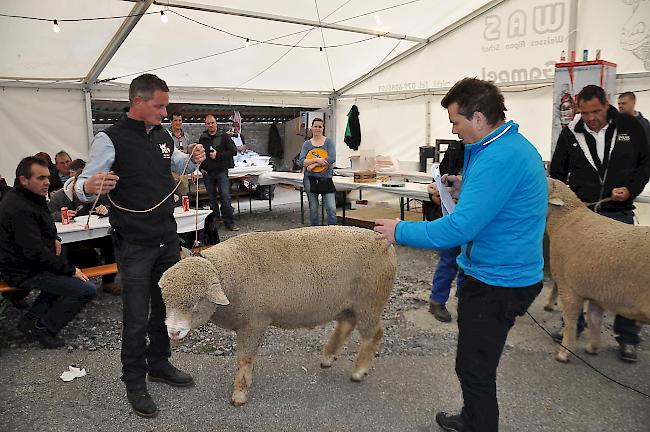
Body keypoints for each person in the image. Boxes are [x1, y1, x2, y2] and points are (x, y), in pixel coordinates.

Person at [374, 78, 547, 432]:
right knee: (474, 362)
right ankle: (471, 418)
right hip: (497, 272)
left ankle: (478, 424)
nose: (453, 130)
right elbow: (493, 202)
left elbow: (460, 228)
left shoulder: (500, 156)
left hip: (497, 281)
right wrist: (464, 187)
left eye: (456, 121)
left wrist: (400, 230)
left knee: (474, 368)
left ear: (479, 118)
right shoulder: (502, 147)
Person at [75, 73, 206, 418]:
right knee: (135, 316)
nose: (165, 112)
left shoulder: (162, 135)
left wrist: (192, 155)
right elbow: (83, 184)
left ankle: (159, 363)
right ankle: (134, 379)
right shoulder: (109, 138)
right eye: (160, 105)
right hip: (133, 243)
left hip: (166, 236)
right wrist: (89, 186)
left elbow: (176, 162)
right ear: (138, 102)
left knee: (166, 306)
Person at [550, 84, 650, 362]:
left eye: (596, 111)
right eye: (585, 112)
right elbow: (557, 173)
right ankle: (574, 326)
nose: (591, 118)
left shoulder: (631, 128)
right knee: (577, 275)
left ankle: (627, 338)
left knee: (629, 275)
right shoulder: (570, 134)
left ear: (606, 105)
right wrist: (569, 197)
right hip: (583, 217)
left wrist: (630, 188)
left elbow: (645, 165)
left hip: (618, 212)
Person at [0, 156, 96, 348]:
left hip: (32, 263)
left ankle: (29, 321)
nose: (47, 182)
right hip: (21, 269)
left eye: (47, 177)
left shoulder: (31, 197)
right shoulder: (19, 208)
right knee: (86, 289)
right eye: (40, 178)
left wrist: (55, 238)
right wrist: (69, 270)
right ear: (23, 180)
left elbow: (47, 225)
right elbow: (34, 253)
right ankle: (46, 328)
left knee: (63, 279)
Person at [48, 166, 118, 295]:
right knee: (61, 250)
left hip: (93, 235)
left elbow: (112, 207)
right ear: (76, 183)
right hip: (69, 239)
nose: (87, 191)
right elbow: (47, 215)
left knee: (111, 241)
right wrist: (59, 216)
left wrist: (105, 210)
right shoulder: (60, 197)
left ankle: (109, 281)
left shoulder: (98, 194)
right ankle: (66, 286)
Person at [425, 141, 465, 323]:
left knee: (470, 259)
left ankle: (466, 299)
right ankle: (437, 301)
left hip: (475, 216)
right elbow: (437, 179)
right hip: (452, 215)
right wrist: (436, 194)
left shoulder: (489, 151)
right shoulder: (455, 149)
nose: (456, 130)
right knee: (449, 258)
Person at [198, 114, 239, 231]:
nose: (210, 125)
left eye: (212, 123)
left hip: (221, 171)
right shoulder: (203, 137)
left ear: (216, 123)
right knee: (211, 199)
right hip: (208, 172)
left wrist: (218, 155)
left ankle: (229, 222)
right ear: (205, 125)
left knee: (225, 197)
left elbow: (233, 152)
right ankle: (216, 220)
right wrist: (201, 166)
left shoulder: (224, 136)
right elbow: (202, 154)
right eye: (208, 123)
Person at [298, 118, 337, 226]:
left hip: (326, 179)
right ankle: (315, 233)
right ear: (311, 127)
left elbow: (332, 158)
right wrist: (315, 159)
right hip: (310, 180)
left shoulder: (328, 142)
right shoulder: (307, 144)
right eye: (316, 126)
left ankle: (333, 233)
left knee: (331, 208)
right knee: (313, 209)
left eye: (320, 126)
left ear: (323, 128)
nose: (318, 128)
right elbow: (301, 161)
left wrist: (314, 165)